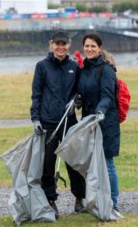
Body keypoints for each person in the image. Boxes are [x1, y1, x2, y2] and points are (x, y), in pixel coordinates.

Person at [30, 30, 86, 219]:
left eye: (64, 44)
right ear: (51, 44)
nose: (60, 47)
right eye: (57, 44)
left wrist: (78, 101)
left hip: (69, 122)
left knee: (74, 161)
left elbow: (80, 92)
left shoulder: (74, 67)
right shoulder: (42, 67)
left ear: (69, 45)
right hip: (49, 122)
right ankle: (50, 199)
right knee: (47, 163)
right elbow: (36, 95)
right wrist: (35, 119)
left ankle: (80, 198)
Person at [77, 33, 121, 213]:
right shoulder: (84, 69)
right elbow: (84, 91)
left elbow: (107, 96)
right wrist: (78, 100)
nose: (89, 49)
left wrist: (100, 112)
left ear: (99, 48)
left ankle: (113, 201)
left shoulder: (107, 69)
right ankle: (97, 199)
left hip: (106, 121)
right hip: (89, 121)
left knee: (107, 162)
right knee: (92, 163)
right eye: (86, 46)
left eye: (93, 46)